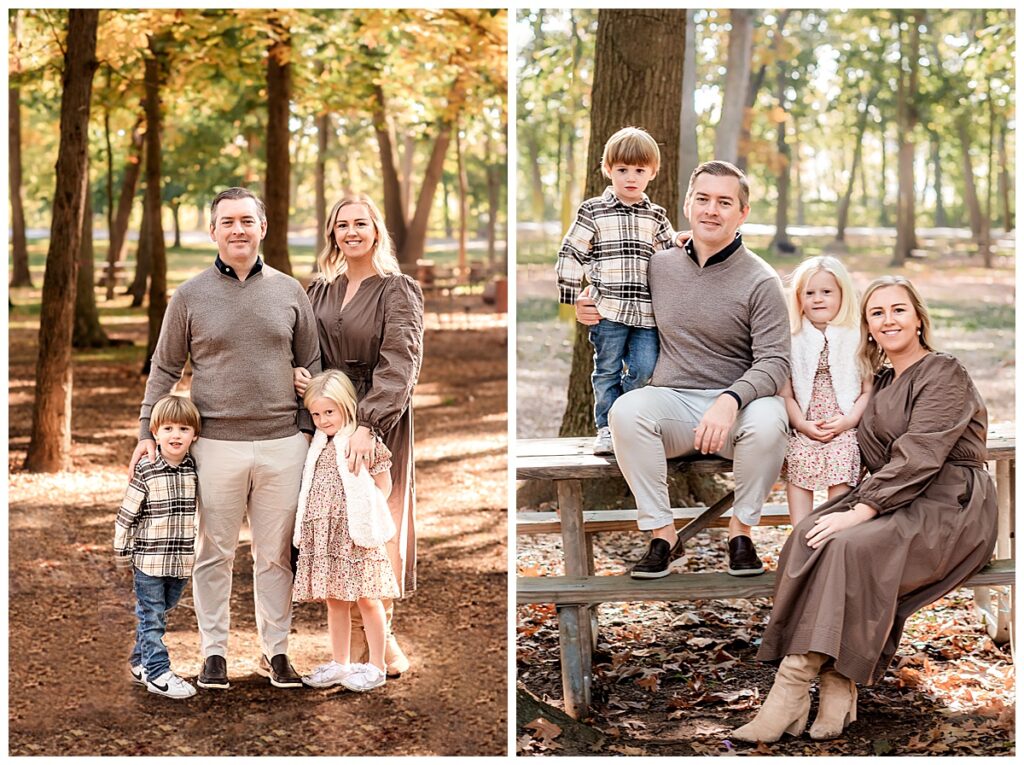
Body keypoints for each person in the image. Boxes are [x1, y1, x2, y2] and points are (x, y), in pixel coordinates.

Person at [732, 276, 998, 743]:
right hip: (899, 496)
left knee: (849, 547)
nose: (888, 320)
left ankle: (793, 689)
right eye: (877, 313)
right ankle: (836, 685)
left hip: (949, 504)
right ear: (867, 328)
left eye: (898, 310)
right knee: (808, 536)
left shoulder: (943, 372)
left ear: (918, 319)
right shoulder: (882, 380)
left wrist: (862, 510)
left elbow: (921, 453)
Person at [130, 187, 322, 691]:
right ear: (213, 231)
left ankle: (275, 652)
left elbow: (314, 365)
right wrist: (146, 430)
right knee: (214, 551)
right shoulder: (190, 294)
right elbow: (166, 366)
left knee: (276, 553)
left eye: (247, 221)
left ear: (263, 228)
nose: (238, 230)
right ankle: (214, 652)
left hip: (283, 443)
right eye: (228, 222)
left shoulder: (289, 291)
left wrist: (308, 430)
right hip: (214, 444)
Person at [579, 160, 790, 579]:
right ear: (688, 204)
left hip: (739, 411)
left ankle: (741, 532)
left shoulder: (761, 280)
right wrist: (588, 306)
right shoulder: (658, 265)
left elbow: (775, 361)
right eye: (703, 199)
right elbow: (614, 290)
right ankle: (663, 535)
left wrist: (730, 401)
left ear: (742, 213)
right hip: (674, 405)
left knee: (771, 421)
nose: (712, 210)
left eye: (725, 202)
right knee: (626, 411)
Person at [294, 193, 424, 677]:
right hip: (328, 419)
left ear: (376, 230)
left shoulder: (397, 288)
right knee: (333, 522)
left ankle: (383, 642)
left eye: (360, 224)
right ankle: (355, 650)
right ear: (332, 233)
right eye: (342, 225)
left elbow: (401, 361)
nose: (351, 232)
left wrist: (369, 425)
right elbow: (306, 349)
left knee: (375, 524)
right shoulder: (319, 290)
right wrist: (306, 381)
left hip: (378, 419)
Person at [555, 127, 680, 455]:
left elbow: (672, 260)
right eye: (622, 170)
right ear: (608, 170)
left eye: (640, 170)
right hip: (607, 309)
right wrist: (573, 296)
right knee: (607, 368)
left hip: (645, 314)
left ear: (652, 173)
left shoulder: (656, 216)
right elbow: (571, 252)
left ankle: (623, 415)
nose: (631, 177)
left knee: (645, 368)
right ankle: (608, 427)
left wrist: (686, 244)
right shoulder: (593, 211)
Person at [292, 370, 398, 692]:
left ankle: (376, 666)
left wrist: (366, 512)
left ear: (346, 407)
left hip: (355, 534)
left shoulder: (360, 441)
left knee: (368, 599)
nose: (323, 420)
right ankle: (340, 663)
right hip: (325, 537)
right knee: (335, 600)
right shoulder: (318, 445)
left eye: (329, 412)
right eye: (316, 414)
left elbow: (383, 484)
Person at [115, 395, 202, 699]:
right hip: (149, 561)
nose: (175, 435)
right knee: (152, 616)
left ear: (195, 435)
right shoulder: (146, 468)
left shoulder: (194, 468)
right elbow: (128, 512)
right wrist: (122, 550)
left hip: (179, 562)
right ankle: (158, 673)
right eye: (167, 429)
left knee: (160, 612)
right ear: (154, 433)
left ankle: (139, 662)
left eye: (183, 429)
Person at [780, 256, 872, 526]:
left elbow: (868, 390)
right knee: (798, 457)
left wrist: (848, 421)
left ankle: (832, 531)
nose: (817, 299)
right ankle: (800, 532)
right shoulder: (793, 337)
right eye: (809, 293)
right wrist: (801, 424)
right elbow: (785, 393)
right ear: (798, 298)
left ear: (843, 295)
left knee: (844, 456)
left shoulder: (856, 335)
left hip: (844, 423)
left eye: (826, 292)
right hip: (805, 421)